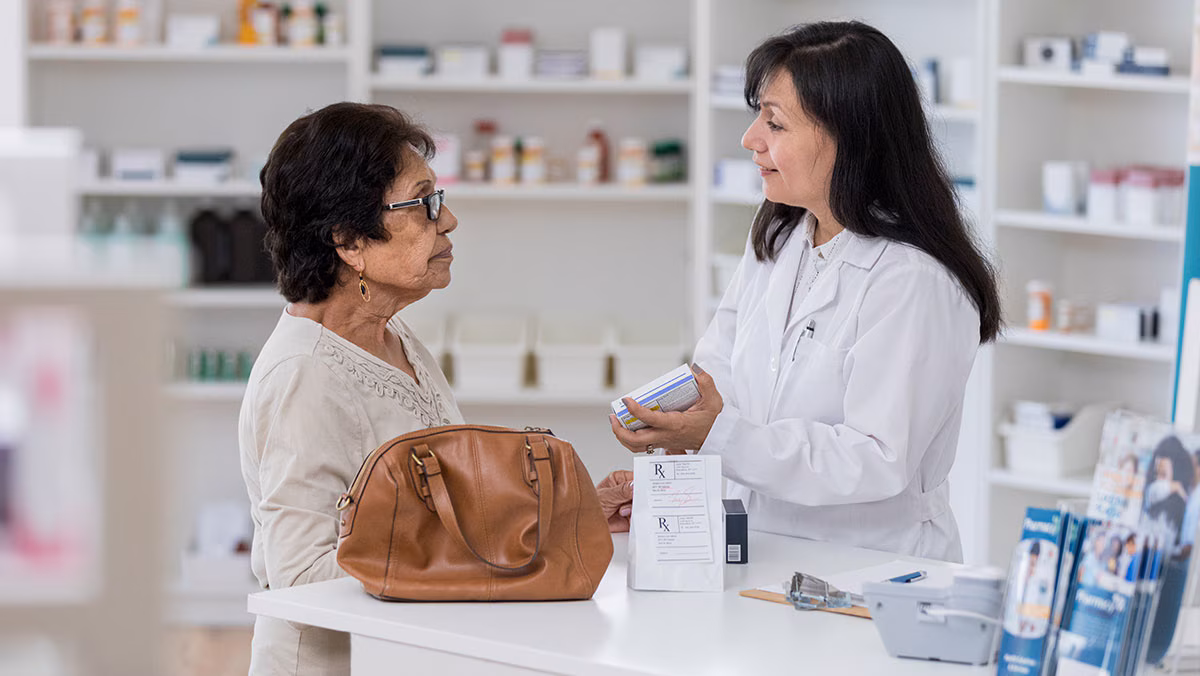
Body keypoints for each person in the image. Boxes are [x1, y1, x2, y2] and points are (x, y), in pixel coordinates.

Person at [239, 102, 633, 675]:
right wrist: (504, 555)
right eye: (423, 204)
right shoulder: (304, 374)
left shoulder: (393, 337)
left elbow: (440, 510)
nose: (447, 222)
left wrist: (567, 518)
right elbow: (301, 578)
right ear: (348, 240)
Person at [607, 22, 1001, 562]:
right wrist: (671, 458)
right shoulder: (783, 234)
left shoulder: (914, 280)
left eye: (775, 123)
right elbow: (716, 375)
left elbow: (877, 458)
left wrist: (717, 435)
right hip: (761, 550)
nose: (751, 139)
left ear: (850, 137)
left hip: (871, 566)